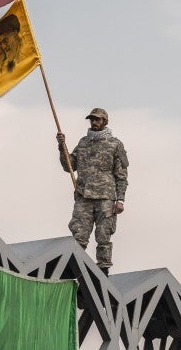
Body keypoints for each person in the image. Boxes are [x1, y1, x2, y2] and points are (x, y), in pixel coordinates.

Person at [56, 108, 129, 275]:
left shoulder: (115, 144)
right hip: (84, 197)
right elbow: (69, 166)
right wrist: (62, 146)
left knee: (103, 236)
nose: (94, 122)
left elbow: (121, 175)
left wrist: (121, 200)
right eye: (92, 120)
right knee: (78, 234)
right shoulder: (83, 143)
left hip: (106, 198)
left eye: (98, 119)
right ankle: (74, 270)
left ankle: (103, 272)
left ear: (105, 121)